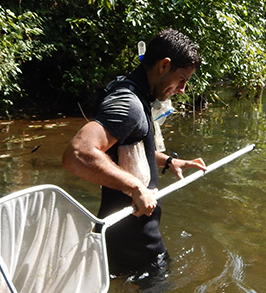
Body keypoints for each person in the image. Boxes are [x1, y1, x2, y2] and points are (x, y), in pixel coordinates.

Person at [63, 29, 206, 276]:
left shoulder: (128, 90)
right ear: (164, 65)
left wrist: (168, 161)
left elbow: (123, 153)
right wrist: (138, 189)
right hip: (138, 248)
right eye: (182, 78)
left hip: (118, 237)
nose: (182, 89)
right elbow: (78, 153)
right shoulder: (129, 104)